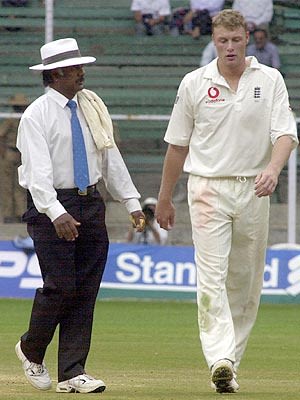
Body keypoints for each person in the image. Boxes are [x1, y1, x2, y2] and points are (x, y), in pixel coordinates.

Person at [155, 9, 298, 394]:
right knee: (212, 276)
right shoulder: (194, 82)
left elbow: (285, 133)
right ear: (214, 42)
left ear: (247, 37)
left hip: (254, 188)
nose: (230, 47)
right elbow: (177, 145)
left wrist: (273, 168)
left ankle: (228, 363)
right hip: (207, 189)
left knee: (246, 281)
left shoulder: (269, 80)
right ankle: (219, 356)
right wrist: (164, 199)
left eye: (236, 40)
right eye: (223, 41)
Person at [14, 38, 146, 394]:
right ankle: (30, 347)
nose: (81, 72)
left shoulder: (91, 108)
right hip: (49, 208)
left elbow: (109, 157)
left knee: (85, 290)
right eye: (74, 68)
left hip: (91, 203)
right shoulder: (36, 115)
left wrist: (132, 202)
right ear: (56, 74)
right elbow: (37, 174)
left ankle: (72, 373)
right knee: (60, 287)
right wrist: (56, 211)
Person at [0, 93, 29, 223]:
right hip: (19, 153)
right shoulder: (26, 119)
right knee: (19, 185)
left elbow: (1, 135)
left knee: (11, 185)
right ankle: (19, 212)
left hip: (12, 152)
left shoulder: (10, 119)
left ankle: (11, 213)